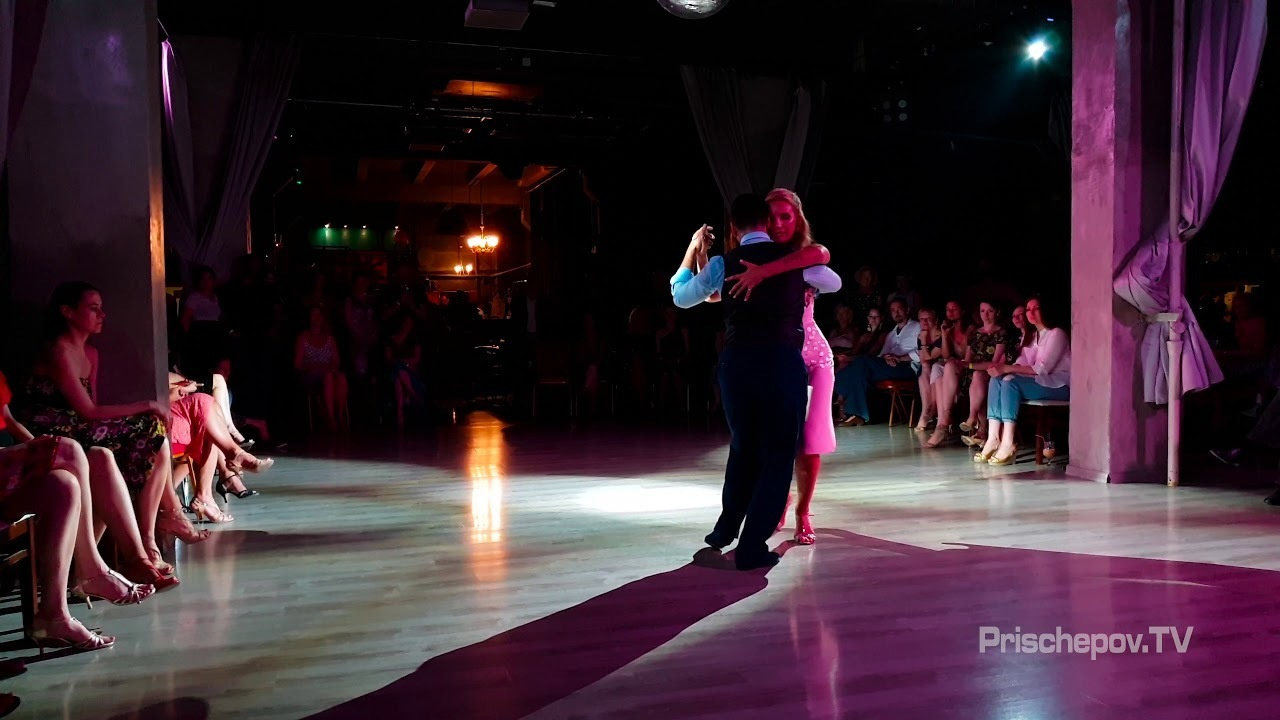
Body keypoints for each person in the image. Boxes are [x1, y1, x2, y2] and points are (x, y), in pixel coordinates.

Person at [670, 193, 839, 569]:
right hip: (781, 365)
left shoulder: (723, 263)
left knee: (743, 450)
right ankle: (751, 547)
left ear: (733, 227)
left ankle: (722, 535)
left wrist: (691, 252)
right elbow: (833, 282)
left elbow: (682, 297)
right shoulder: (796, 262)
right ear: (766, 221)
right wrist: (787, 263)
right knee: (779, 456)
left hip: (738, 366)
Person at [736, 188, 843, 545]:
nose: (779, 223)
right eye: (773, 217)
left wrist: (771, 270)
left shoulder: (806, 261)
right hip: (777, 358)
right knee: (777, 441)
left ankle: (803, 512)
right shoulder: (748, 259)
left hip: (815, 360)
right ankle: (777, 503)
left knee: (810, 443)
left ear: (798, 220)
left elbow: (831, 276)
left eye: (787, 216)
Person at [977, 296, 1071, 465]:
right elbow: (1022, 362)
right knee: (997, 380)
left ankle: (1008, 441)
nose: (1031, 313)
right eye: (1028, 309)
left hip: (1059, 385)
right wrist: (1002, 369)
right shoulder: (1033, 336)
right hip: (1040, 382)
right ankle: (993, 437)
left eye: (1036, 308)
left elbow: (1042, 369)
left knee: (1009, 382)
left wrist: (1007, 369)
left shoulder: (1056, 334)